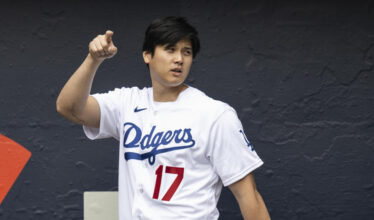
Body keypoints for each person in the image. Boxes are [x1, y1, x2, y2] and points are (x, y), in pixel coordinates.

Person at [56, 16, 271, 220]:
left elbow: (249, 196)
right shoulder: (128, 103)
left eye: (186, 52)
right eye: (170, 49)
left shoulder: (215, 115)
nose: (179, 59)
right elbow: (69, 108)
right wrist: (93, 59)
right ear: (147, 55)